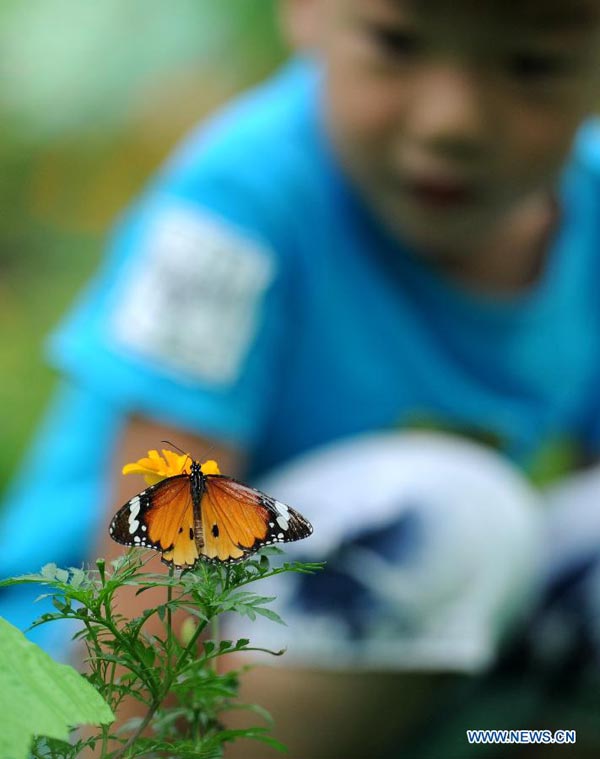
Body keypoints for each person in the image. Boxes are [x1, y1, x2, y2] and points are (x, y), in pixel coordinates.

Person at [3, 0, 600, 755]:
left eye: (532, 65)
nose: (454, 121)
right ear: (307, 12)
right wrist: (126, 740)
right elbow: (161, 542)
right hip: (112, 673)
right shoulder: (235, 205)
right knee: (438, 521)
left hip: (407, 676)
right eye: (396, 44)